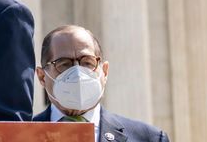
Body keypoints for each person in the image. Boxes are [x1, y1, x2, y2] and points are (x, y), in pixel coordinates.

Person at [33, 25, 168, 142]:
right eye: (64, 64)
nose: (78, 73)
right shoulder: (18, 136)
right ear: (42, 76)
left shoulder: (150, 138)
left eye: (88, 63)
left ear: (104, 71)